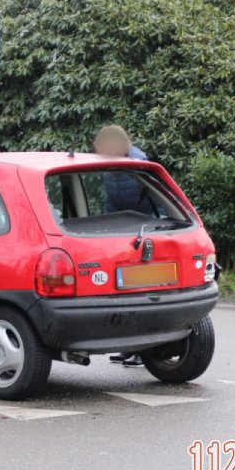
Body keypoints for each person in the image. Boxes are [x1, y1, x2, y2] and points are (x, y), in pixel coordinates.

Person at [93, 125, 148, 368]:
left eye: (102, 149)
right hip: (125, 237)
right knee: (124, 293)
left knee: (138, 295)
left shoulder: (138, 166)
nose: (99, 153)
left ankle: (139, 350)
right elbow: (111, 204)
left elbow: (147, 205)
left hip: (144, 237)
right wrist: (105, 232)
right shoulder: (111, 169)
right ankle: (129, 349)